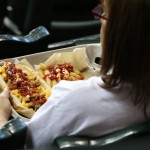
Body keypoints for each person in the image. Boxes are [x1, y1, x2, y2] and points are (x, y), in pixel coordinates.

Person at [0, 0, 150, 149]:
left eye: (104, 12)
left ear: (118, 31)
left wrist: (1, 120)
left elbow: (28, 146)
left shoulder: (69, 100)